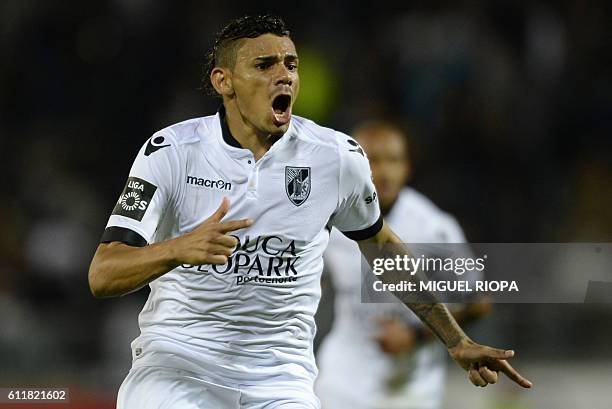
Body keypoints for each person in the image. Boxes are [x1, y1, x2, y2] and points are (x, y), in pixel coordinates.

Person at [88, 14, 532, 409]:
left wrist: (455, 340)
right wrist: (178, 249)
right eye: (264, 65)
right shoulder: (170, 153)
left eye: (291, 64)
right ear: (224, 81)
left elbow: (381, 247)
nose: (284, 76)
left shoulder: (335, 158)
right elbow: (103, 273)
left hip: (281, 378)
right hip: (179, 365)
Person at [316, 121, 491, 409]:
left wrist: (414, 336)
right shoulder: (329, 221)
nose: (384, 172)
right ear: (352, 166)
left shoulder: (435, 228)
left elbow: (477, 301)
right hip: (343, 377)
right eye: (372, 160)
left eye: (393, 160)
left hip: (411, 385)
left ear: (407, 168)